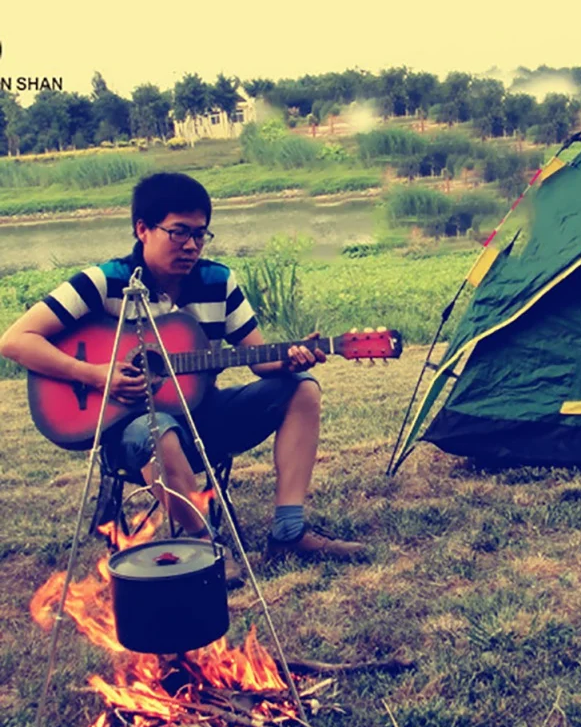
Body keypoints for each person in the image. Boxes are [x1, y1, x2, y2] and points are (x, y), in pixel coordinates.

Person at [0, 172, 366, 584]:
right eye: (178, 233)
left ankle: (288, 531)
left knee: (302, 390)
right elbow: (15, 340)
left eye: (200, 234)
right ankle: (204, 547)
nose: (191, 245)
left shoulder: (218, 282)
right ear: (143, 229)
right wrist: (96, 374)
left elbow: (259, 359)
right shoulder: (105, 281)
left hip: (205, 417)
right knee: (160, 427)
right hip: (130, 433)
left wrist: (291, 359)